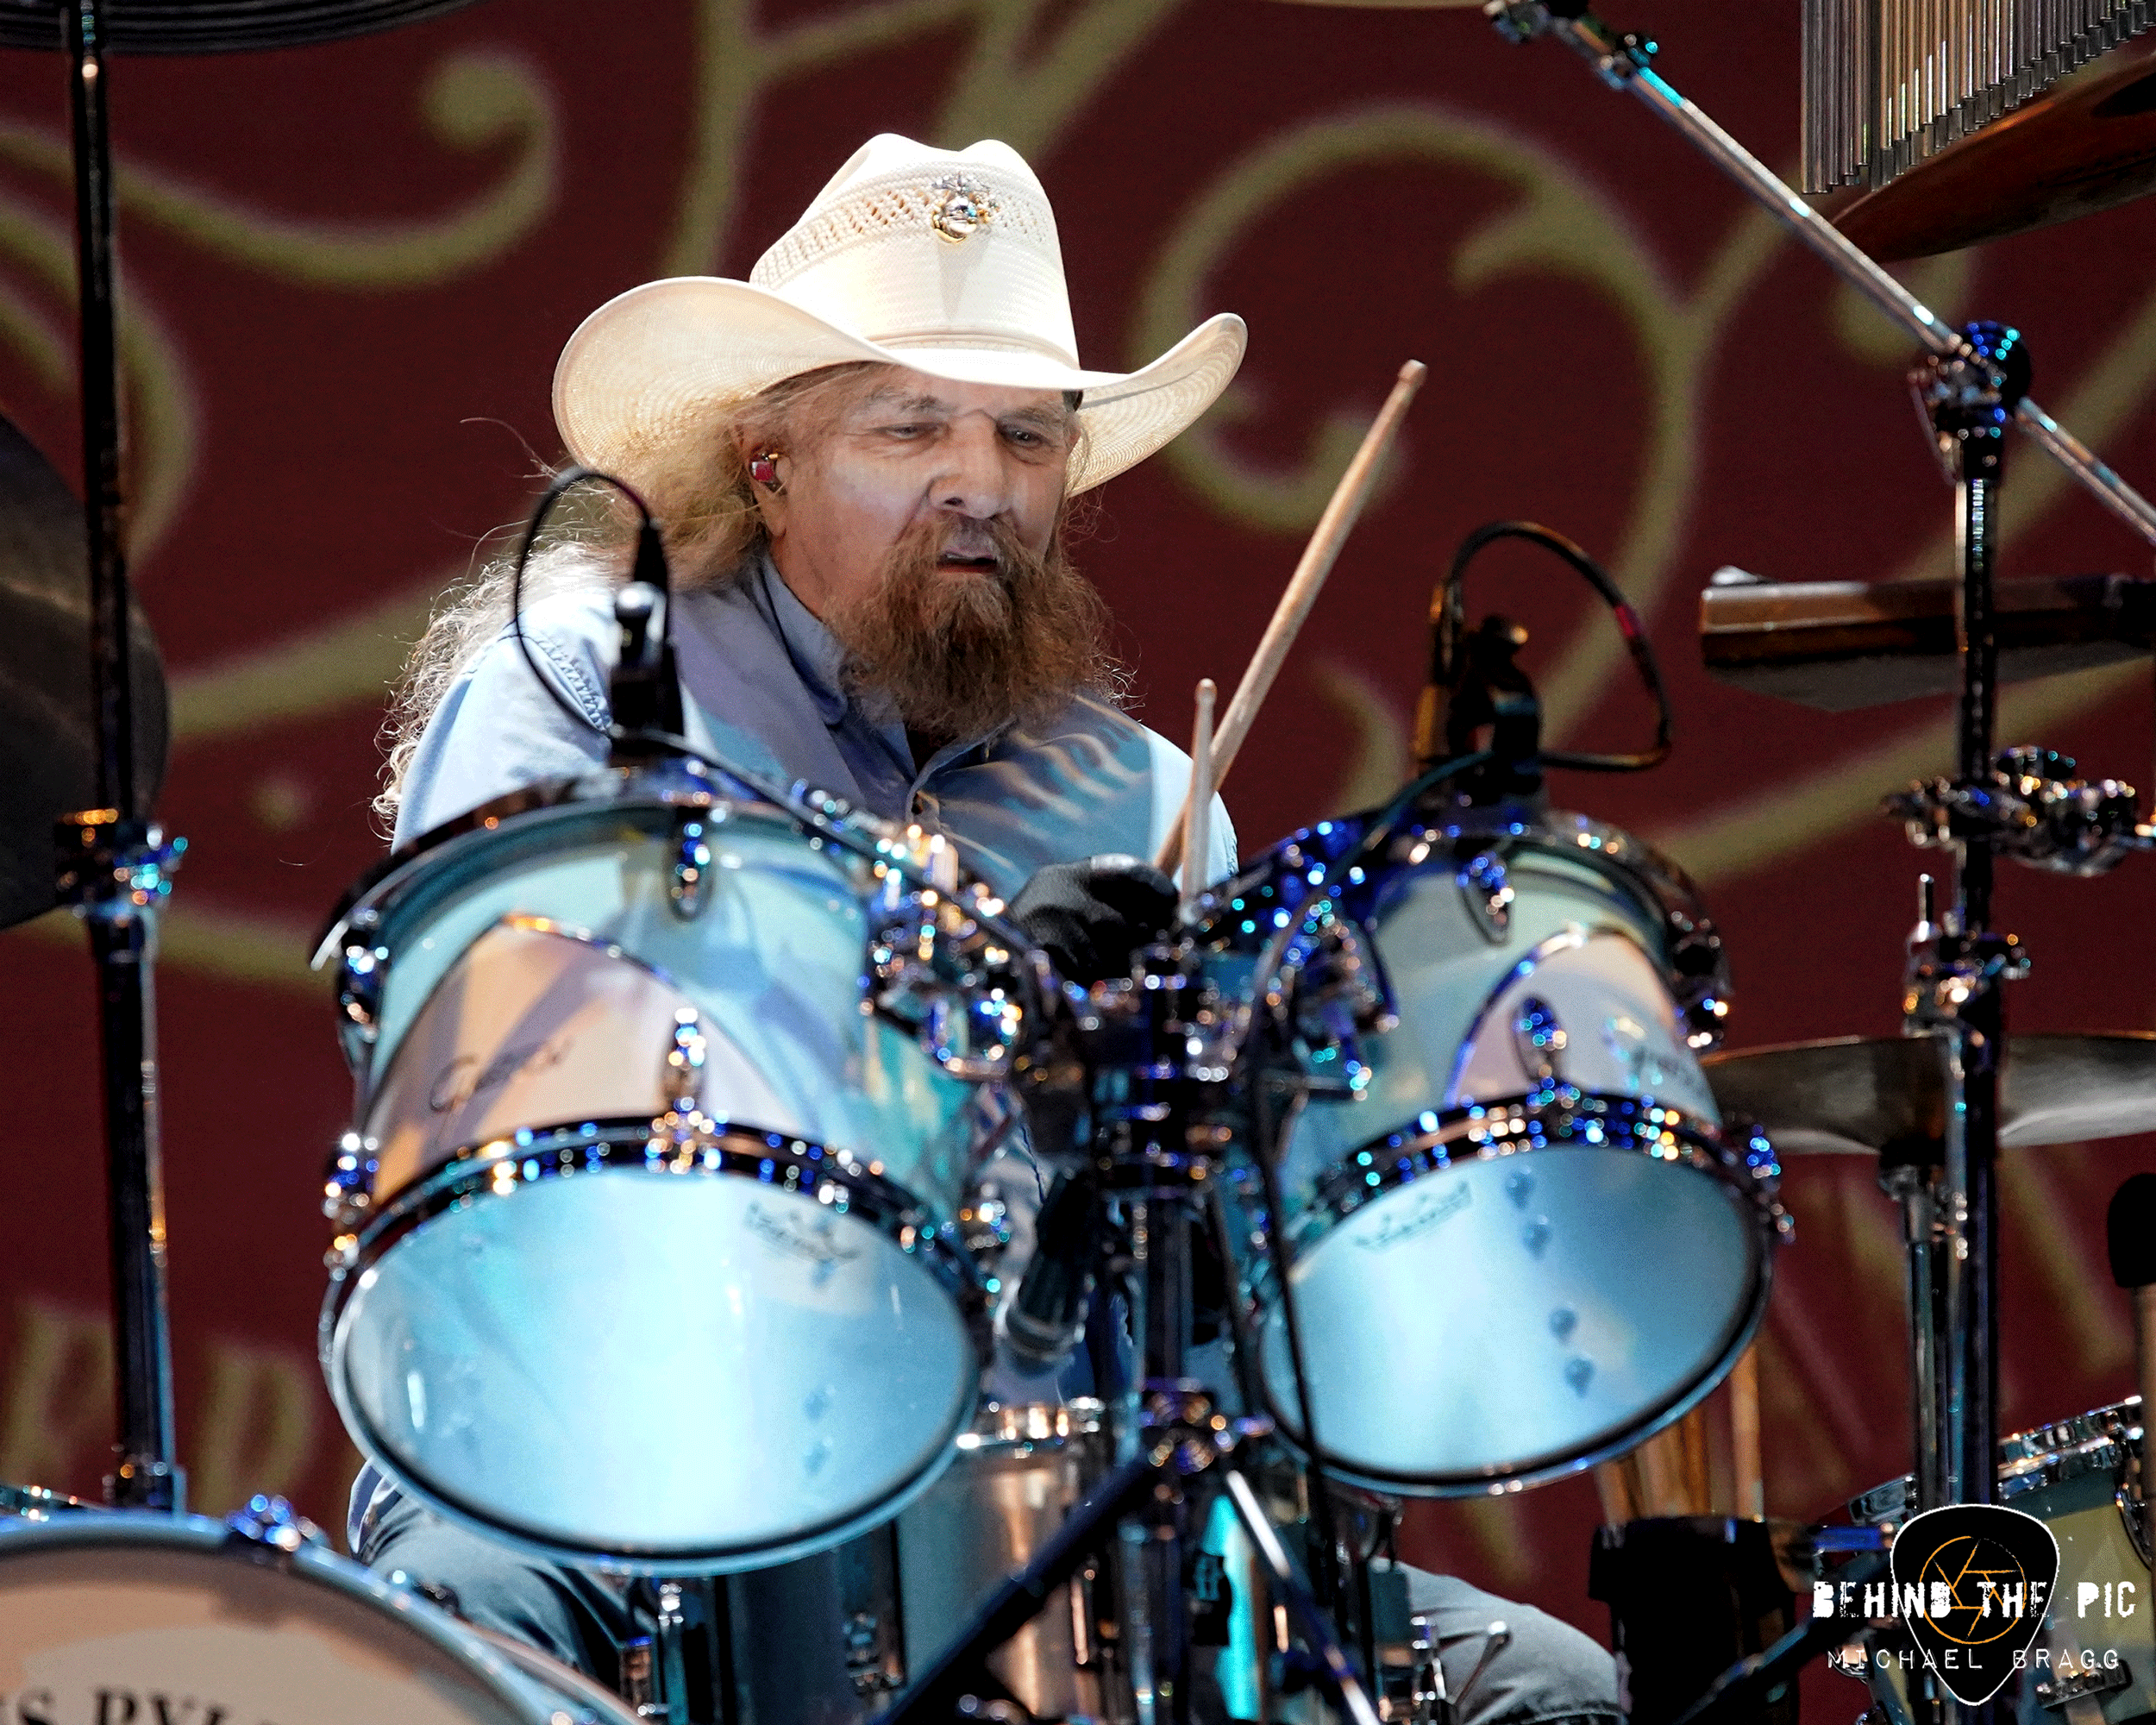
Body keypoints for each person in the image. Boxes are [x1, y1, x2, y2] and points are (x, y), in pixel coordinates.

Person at [357, 132, 1621, 1725]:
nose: (982, 482)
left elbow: (1216, 1252)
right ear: (767, 460)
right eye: (911, 426)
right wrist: (957, 992)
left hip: (1047, 1504)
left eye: (1027, 435)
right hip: (614, 1461)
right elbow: (511, 1096)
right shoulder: (583, 689)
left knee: (1551, 1692)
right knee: (463, 1635)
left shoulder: (1149, 794)